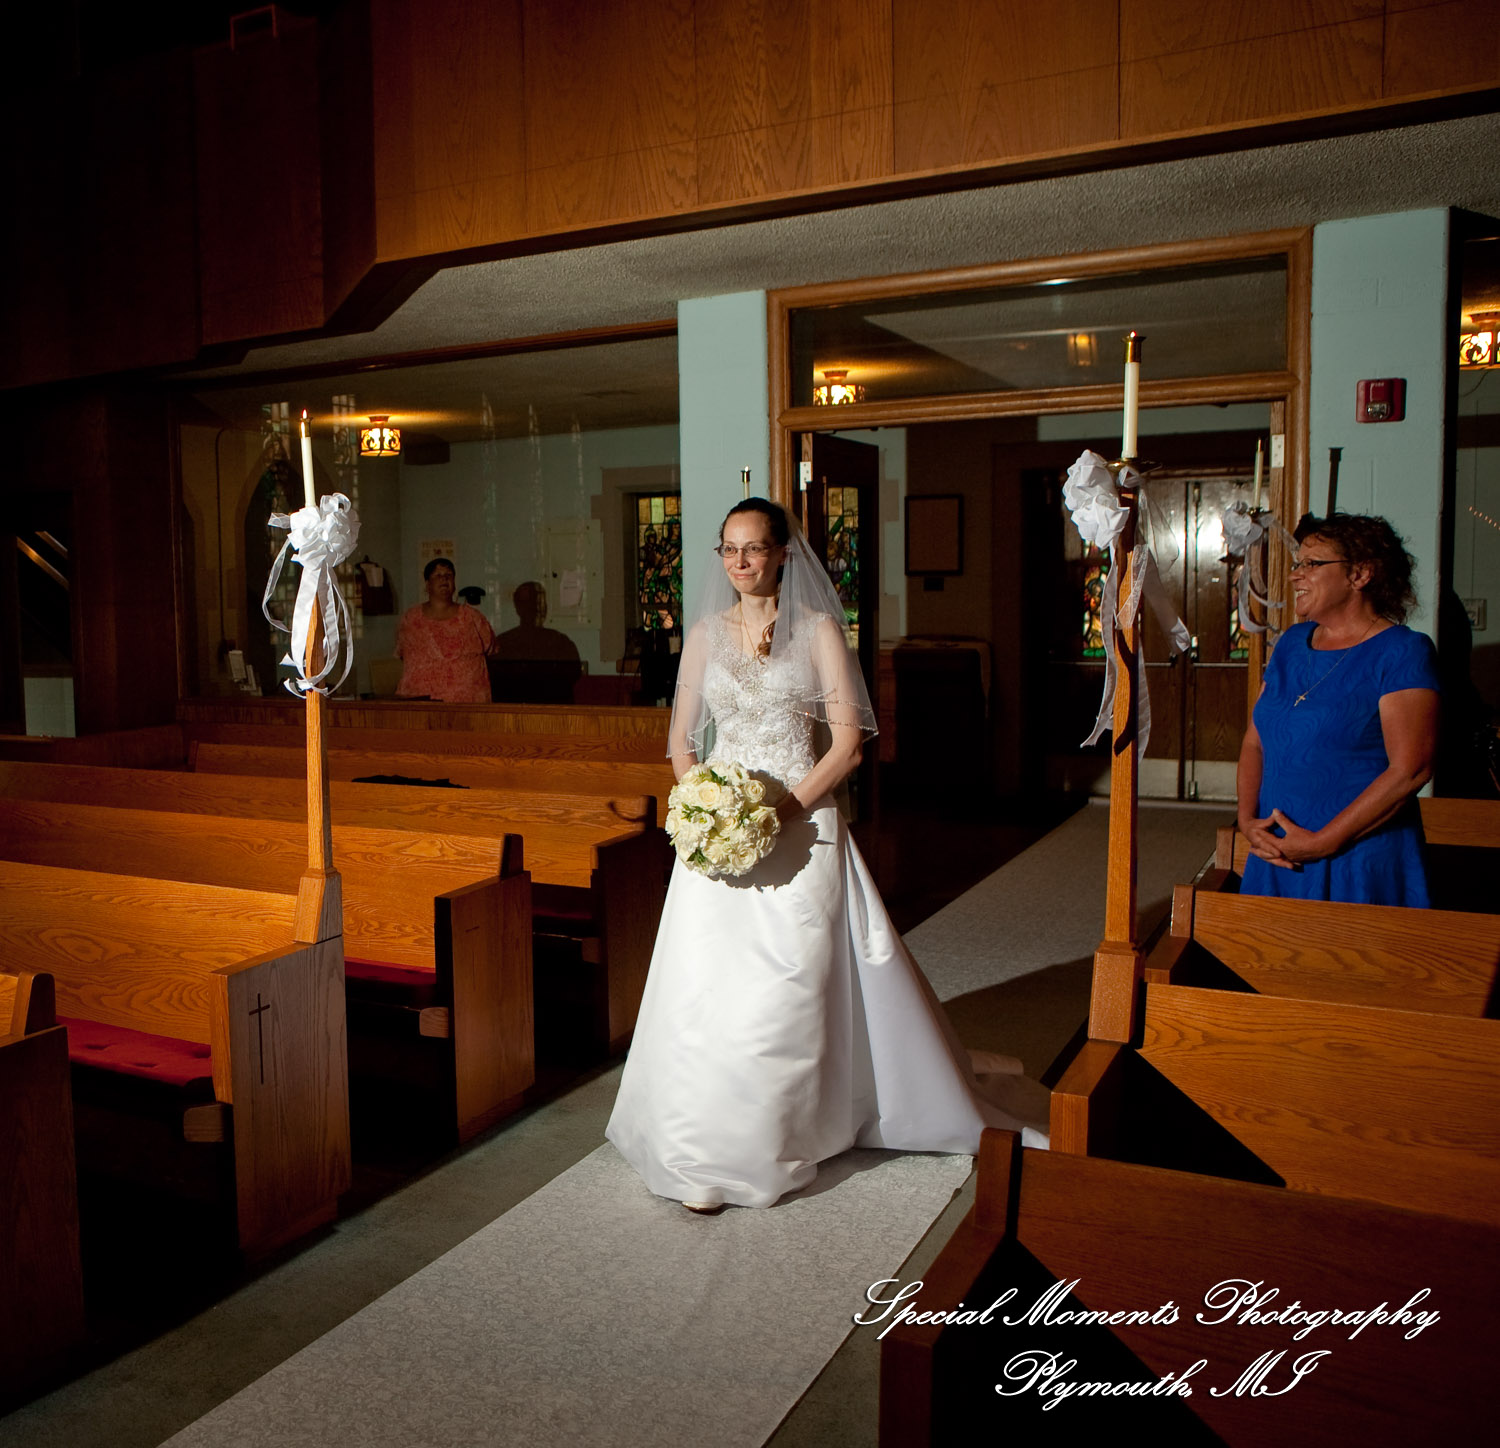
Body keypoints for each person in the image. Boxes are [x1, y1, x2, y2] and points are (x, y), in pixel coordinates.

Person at [605, 497, 1048, 1213]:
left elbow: (848, 746)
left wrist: (776, 813)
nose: (740, 562)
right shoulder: (704, 634)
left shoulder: (817, 633)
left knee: (789, 985)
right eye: (729, 549)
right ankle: (700, 1130)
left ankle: (783, 1130)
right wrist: (707, 813)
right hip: (718, 840)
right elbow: (681, 744)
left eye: (754, 548)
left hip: (801, 828)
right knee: (704, 985)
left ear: (783, 554)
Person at [1237, 512, 1440, 906]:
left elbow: (1410, 770)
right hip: (1277, 855)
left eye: (1311, 564)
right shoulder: (1292, 644)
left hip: (1358, 859)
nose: (1296, 575)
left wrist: (1321, 843)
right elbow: (1254, 743)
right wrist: (1247, 821)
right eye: (1298, 564)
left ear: (1360, 574)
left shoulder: (1402, 652)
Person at [393, 557, 495, 703]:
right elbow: (402, 652)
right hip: (421, 700)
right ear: (427, 585)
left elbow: (490, 648)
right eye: (438, 575)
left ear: (454, 583)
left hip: (467, 701)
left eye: (448, 575)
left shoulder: (472, 617)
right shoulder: (411, 618)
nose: (444, 579)